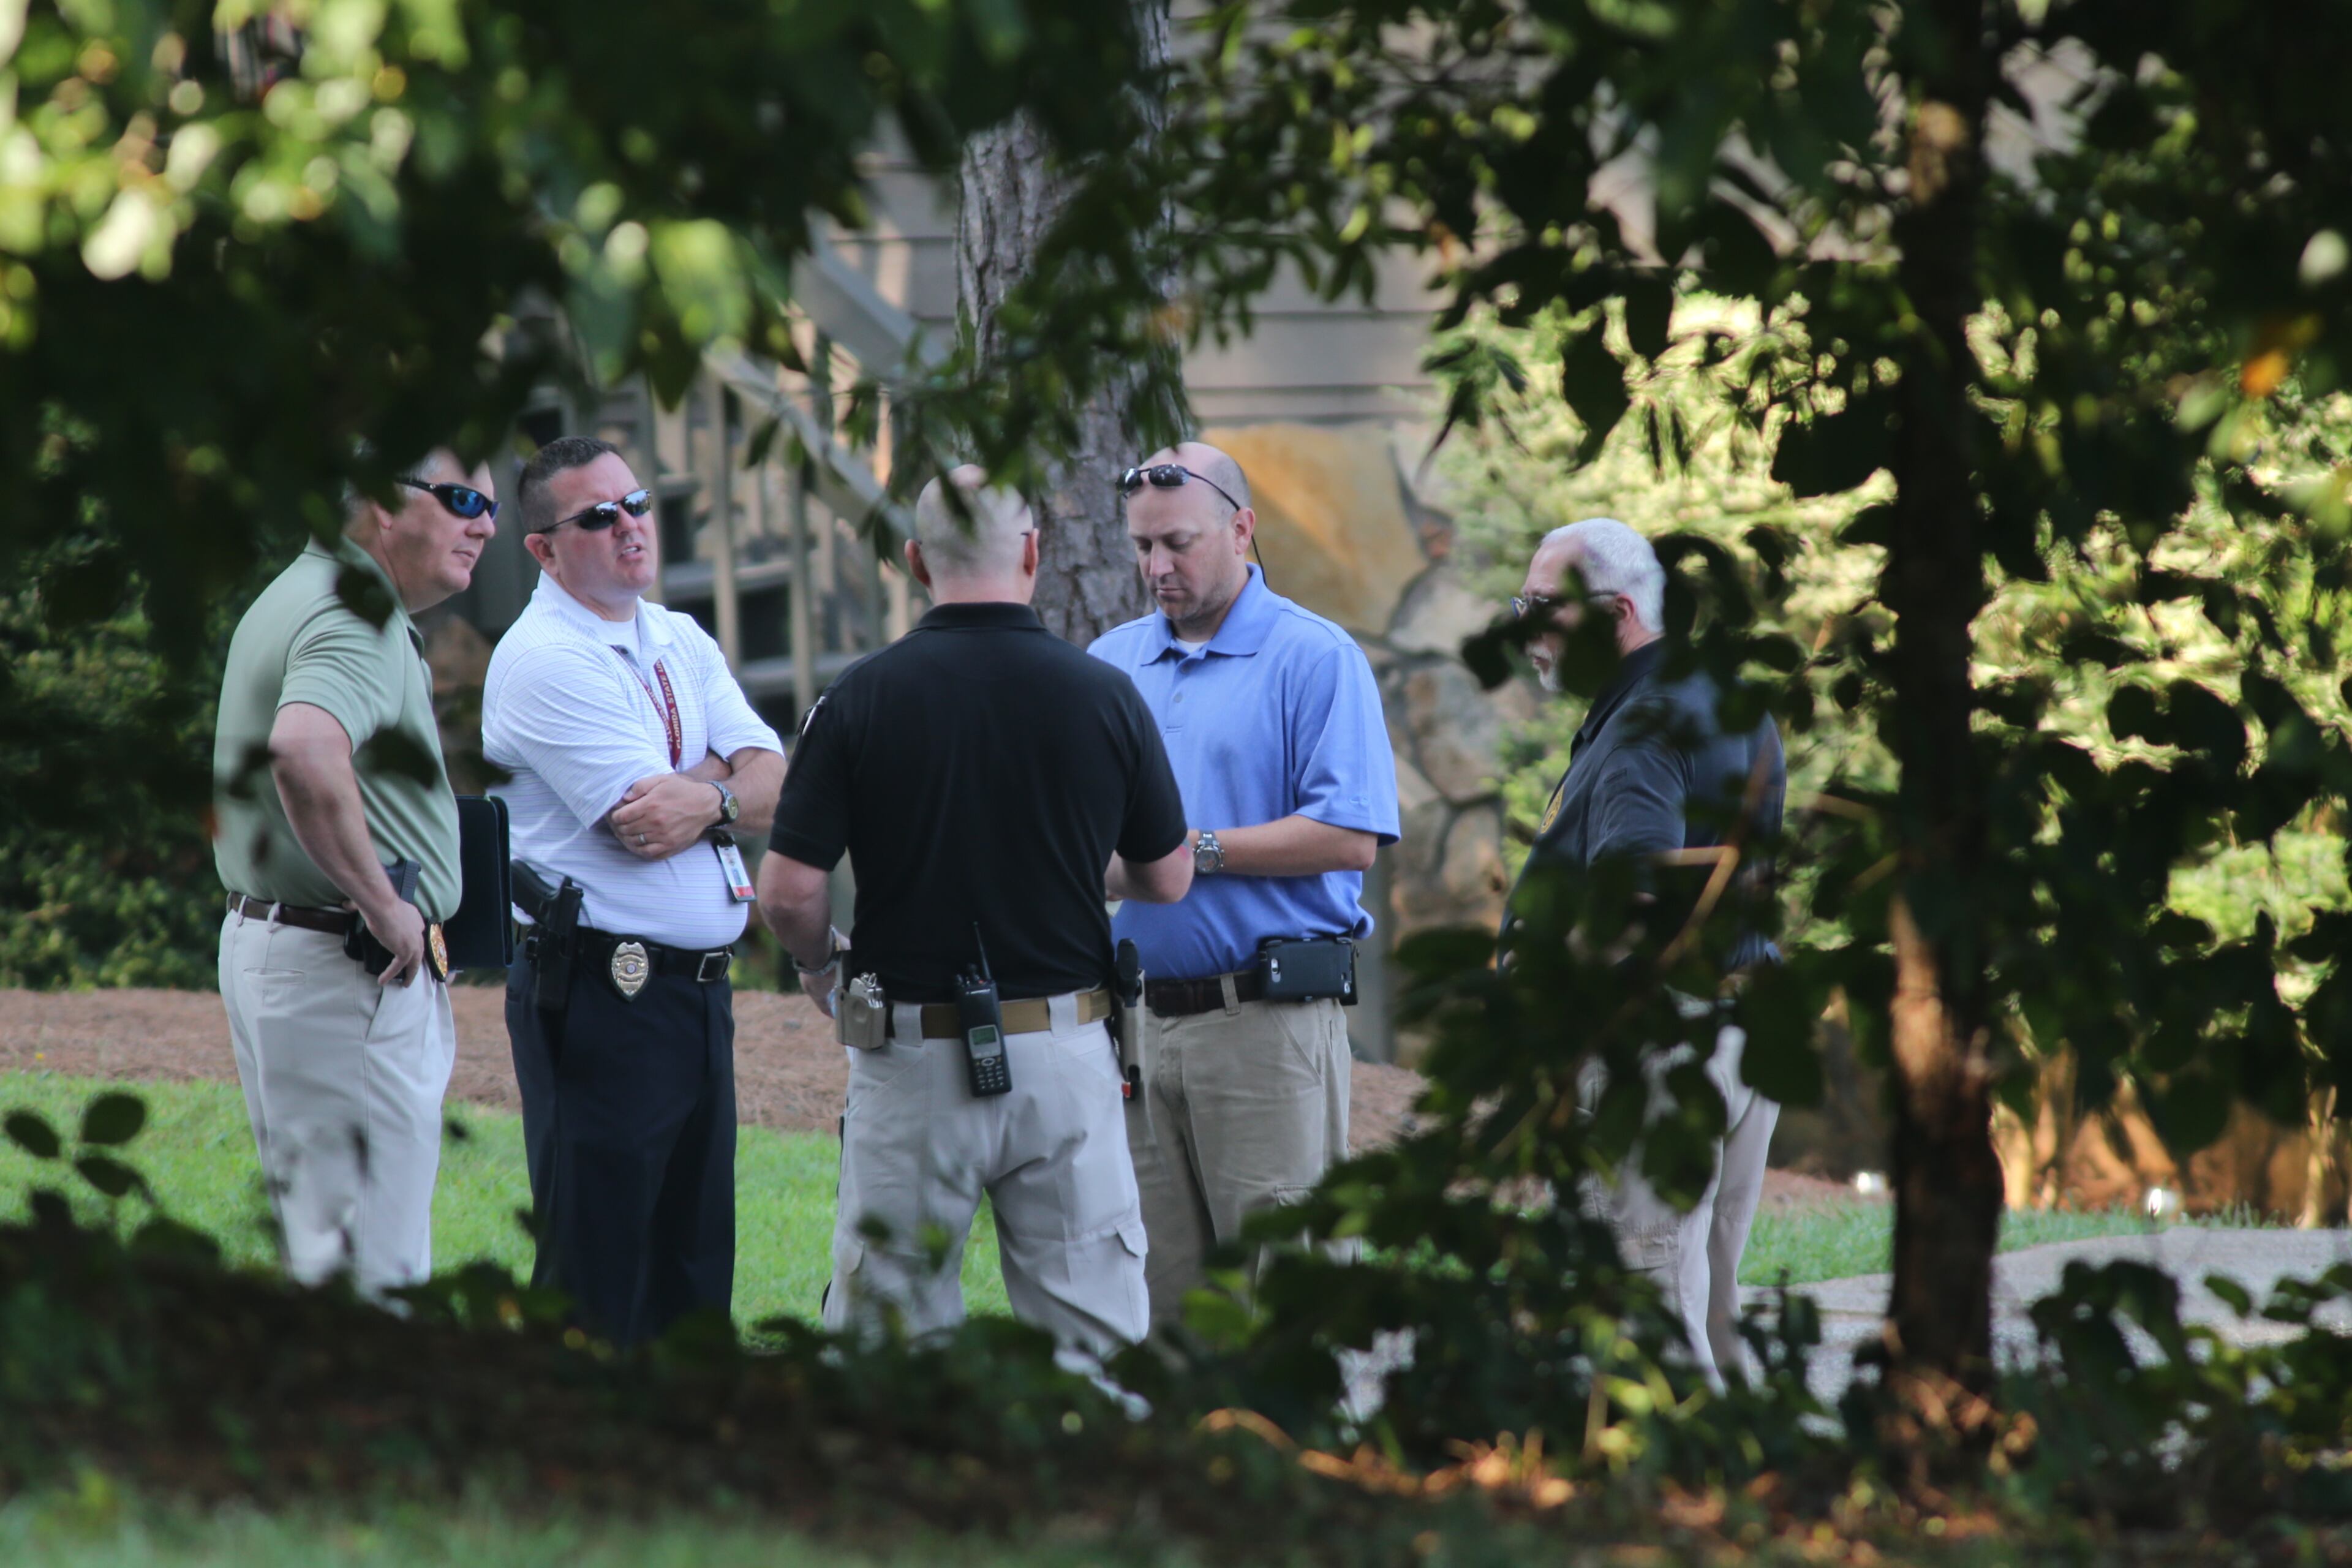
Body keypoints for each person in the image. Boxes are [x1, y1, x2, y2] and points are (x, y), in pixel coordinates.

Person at [759, 466, 1193, 1359]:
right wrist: (1066, 856)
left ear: (917, 561)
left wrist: (821, 966)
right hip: (1067, 1053)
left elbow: (788, 891)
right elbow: (1167, 877)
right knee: (1093, 1345)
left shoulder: (858, 698)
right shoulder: (1106, 695)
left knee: (889, 1343)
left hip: (911, 1054)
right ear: (1034, 552)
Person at [1088, 442, 1401, 1327]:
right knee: (1160, 1308)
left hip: (1266, 1029)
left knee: (1287, 1304)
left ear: (1241, 529)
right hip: (1136, 1031)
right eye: (1142, 546)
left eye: (1178, 543)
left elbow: (1352, 837)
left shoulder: (1316, 656)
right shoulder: (1109, 663)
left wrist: (1192, 852)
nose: (1158, 567)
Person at [481, 435, 785, 1346]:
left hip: (696, 995)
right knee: (598, 1271)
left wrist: (708, 796)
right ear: (543, 549)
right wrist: (725, 779)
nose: (631, 527)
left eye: (638, 503)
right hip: (603, 991)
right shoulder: (542, 657)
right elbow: (645, 826)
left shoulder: (678, 636)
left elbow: (779, 783)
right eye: (599, 517)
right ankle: (575, 1430)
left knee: (693, 1264)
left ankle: (683, 1430)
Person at [1507, 516, 1786, 1385]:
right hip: (1742, 1036)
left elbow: (1638, 898)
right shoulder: (1725, 694)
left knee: (1647, 1316)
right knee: (1710, 1312)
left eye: (1543, 607)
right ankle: (1738, 1463)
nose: (1526, 629)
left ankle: (1674, 1471)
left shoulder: (1644, 722)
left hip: (1660, 1050)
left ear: (1615, 614)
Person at [213, 448, 499, 1295]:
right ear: (382, 504)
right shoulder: (355, 613)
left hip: (292, 953)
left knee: (325, 1254)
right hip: (343, 969)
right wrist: (383, 904)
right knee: (373, 1276)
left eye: (491, 506)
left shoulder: (304, 590)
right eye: (462, 500)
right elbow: (304, 752)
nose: (486, 525)